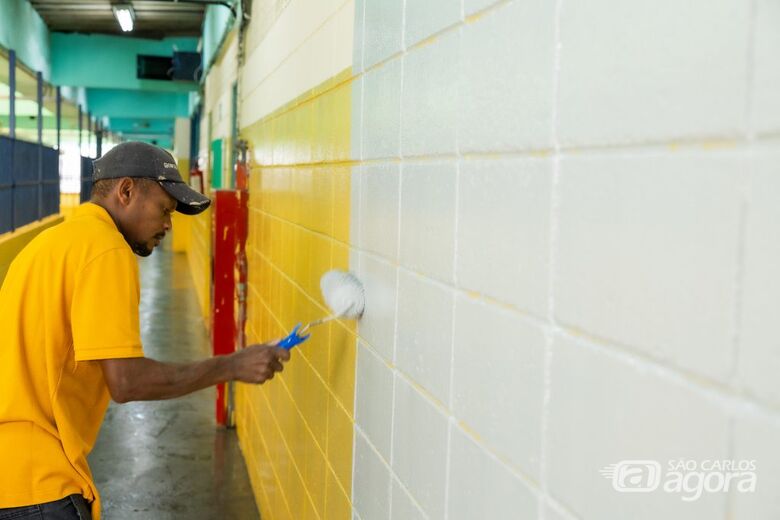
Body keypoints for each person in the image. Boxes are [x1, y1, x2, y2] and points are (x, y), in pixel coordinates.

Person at [0, 141, 290, 520]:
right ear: (126, 192)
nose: (168, 225)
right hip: (37, 486)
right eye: (164, 210)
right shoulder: (106, 249)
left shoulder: (53, 243)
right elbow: (127, 381)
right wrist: (232, 366)